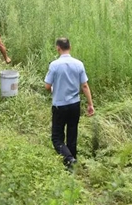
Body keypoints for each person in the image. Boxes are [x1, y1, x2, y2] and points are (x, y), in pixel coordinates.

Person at [44, 38, 94, 168]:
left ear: (58, 48)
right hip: (74, 105)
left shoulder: (54, 65)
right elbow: (84, 86)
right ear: (70, 47)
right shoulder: (79, 64)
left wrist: (54, 88)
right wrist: (90, 104)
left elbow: (47, 86)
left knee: (57, 138)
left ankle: (69, 159)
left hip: (59, 106)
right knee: (72, 134)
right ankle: (72, 164)